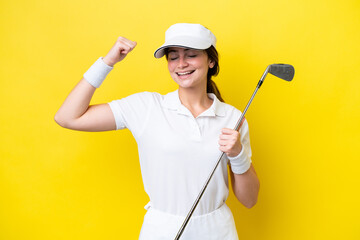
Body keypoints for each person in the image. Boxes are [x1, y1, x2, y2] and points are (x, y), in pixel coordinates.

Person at [55, 23, 260, 240]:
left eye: (191, 55)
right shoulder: (146, 107)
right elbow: (67, 117)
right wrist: (107, 62)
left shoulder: (233, 118)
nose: (181, 64)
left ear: (211, 61)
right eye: (173, 57)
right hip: (162, 230)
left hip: (217, 231)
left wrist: (238, 154)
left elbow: (249, 200)